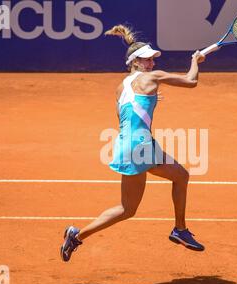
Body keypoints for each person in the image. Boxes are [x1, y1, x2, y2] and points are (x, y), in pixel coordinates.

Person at [61, 25, 206, 262]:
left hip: (127, 145)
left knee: (131, 206)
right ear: (135, 63)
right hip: (140, 147)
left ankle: (76, 236)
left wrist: (149, 101)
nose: (151, 64)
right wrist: (195, 61)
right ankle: (179, 230)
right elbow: (191, 81)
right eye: (146, 60)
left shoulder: (121, 87)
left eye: (152, 60)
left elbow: (125, 118)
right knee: (172, 181)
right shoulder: (152, 77)